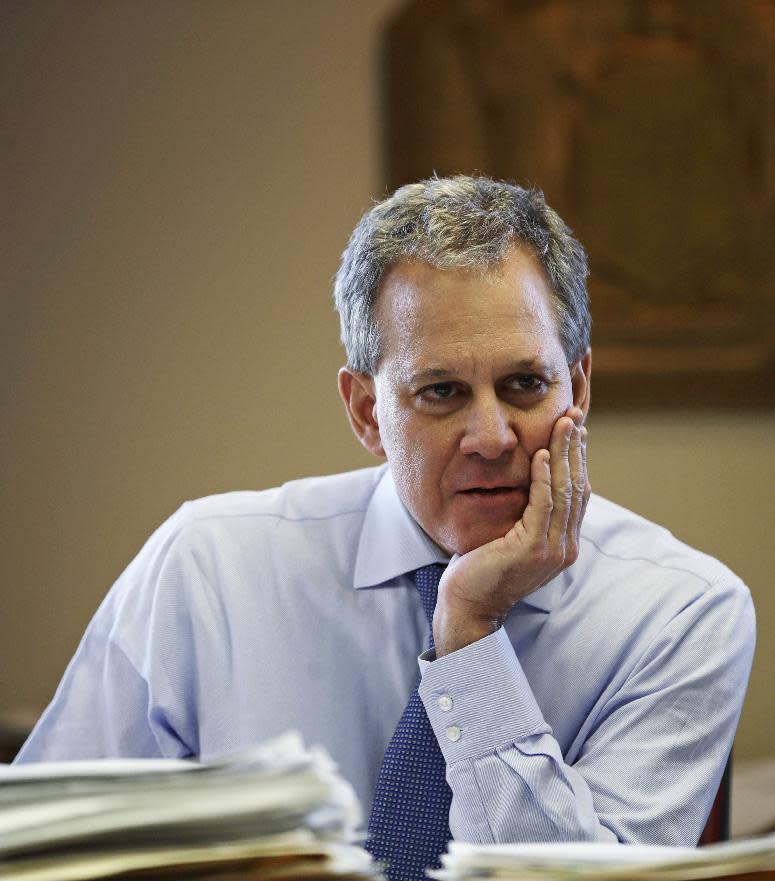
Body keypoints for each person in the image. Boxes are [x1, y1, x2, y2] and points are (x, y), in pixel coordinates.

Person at [16, 177, 754, 877]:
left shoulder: (682, 610)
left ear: (579, 388)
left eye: (524, 384)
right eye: (442, 392)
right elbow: (35, 855)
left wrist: (468, 632)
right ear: (367, 412)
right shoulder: (207, 568)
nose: (492, 435)